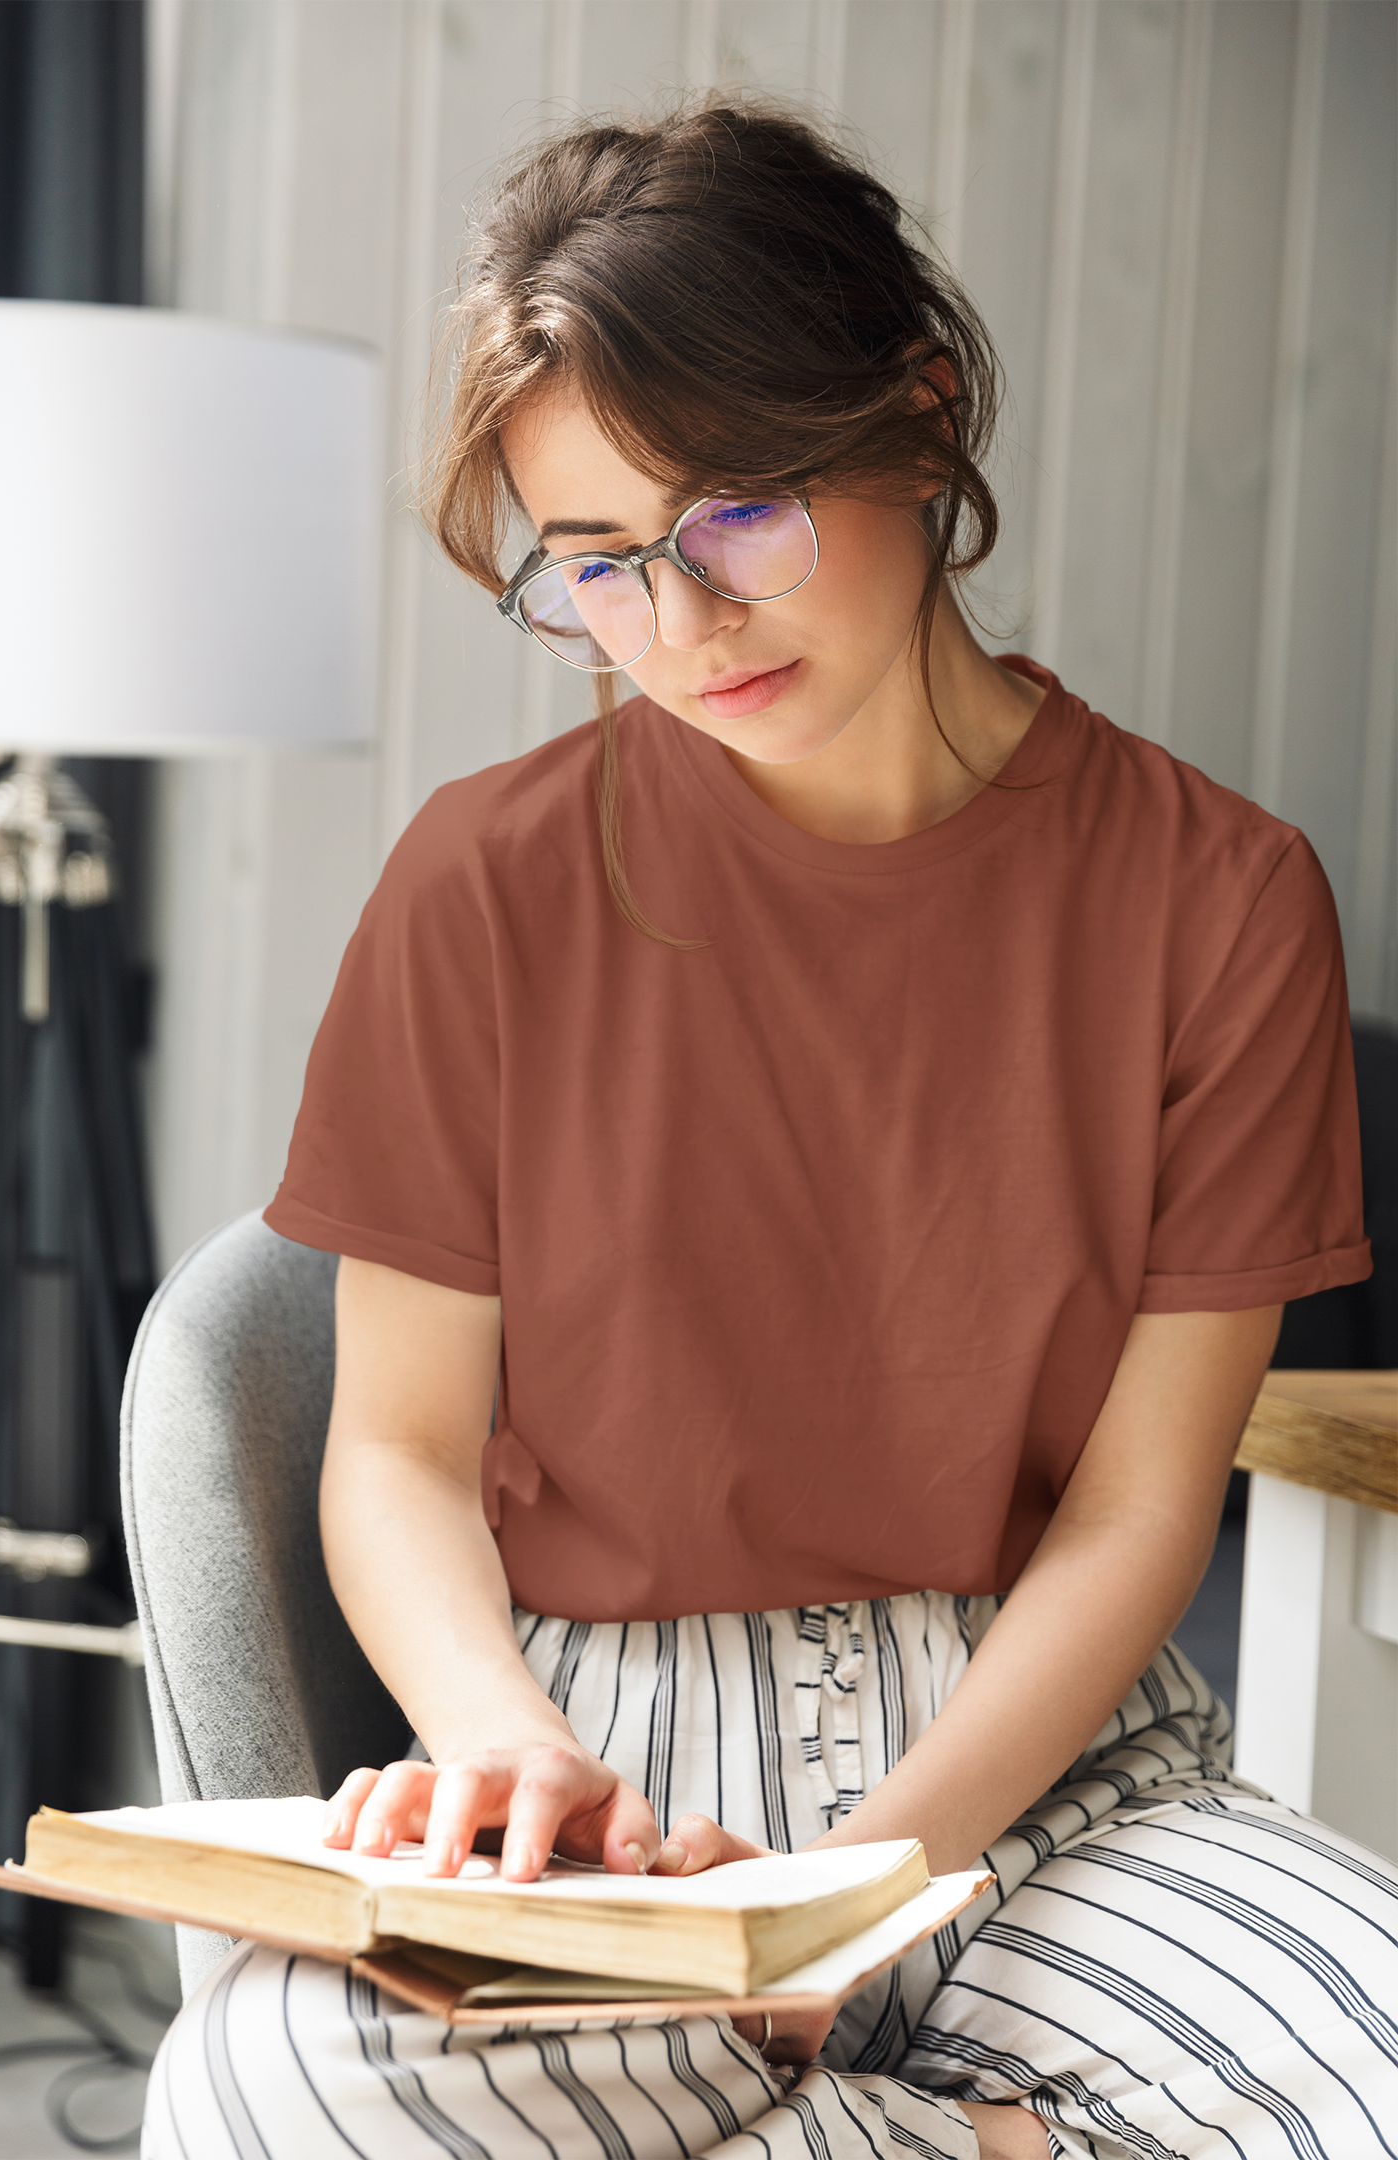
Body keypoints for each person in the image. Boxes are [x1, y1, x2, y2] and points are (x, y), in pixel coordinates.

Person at [144, 99, 1395, 2160]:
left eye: (736, 513)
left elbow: (1138, 1515)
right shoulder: (480, 885)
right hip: (611, 1782)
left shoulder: (1225, 900)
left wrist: (853, 1901)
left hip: (1055, 1786)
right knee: (262, 2098)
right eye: (599, 565)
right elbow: (397, 1451)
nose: (682, 624)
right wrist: (501, 1742)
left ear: (920, 412)